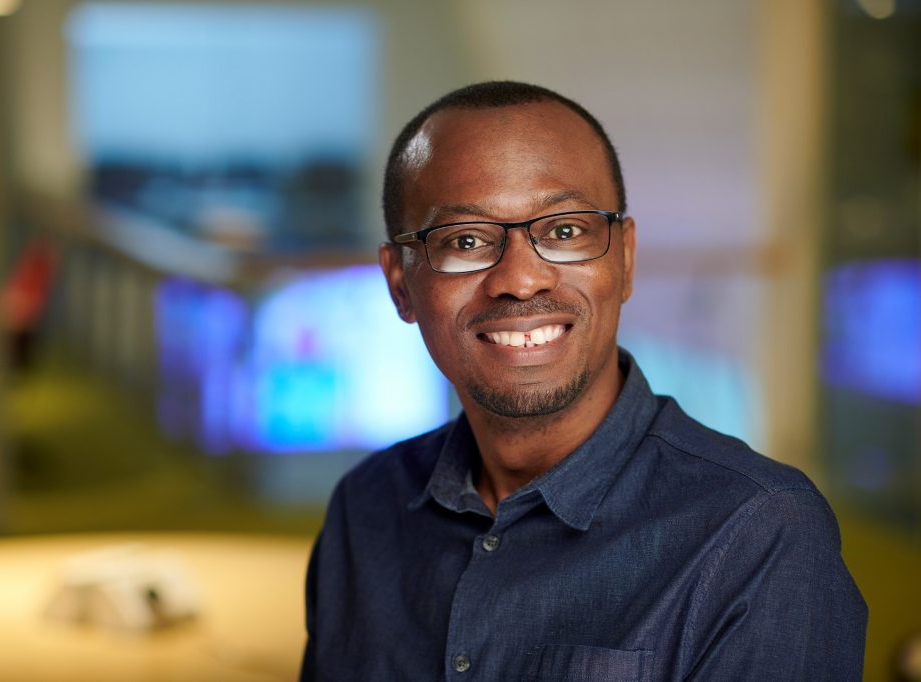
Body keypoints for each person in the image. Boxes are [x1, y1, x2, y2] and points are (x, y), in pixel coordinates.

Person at [300, 81, 867, 681]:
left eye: (565, 231)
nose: (520, 279)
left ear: (623, 259)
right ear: (399, 284)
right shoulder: (366, 509)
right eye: (465, 241)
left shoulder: (760, 535)